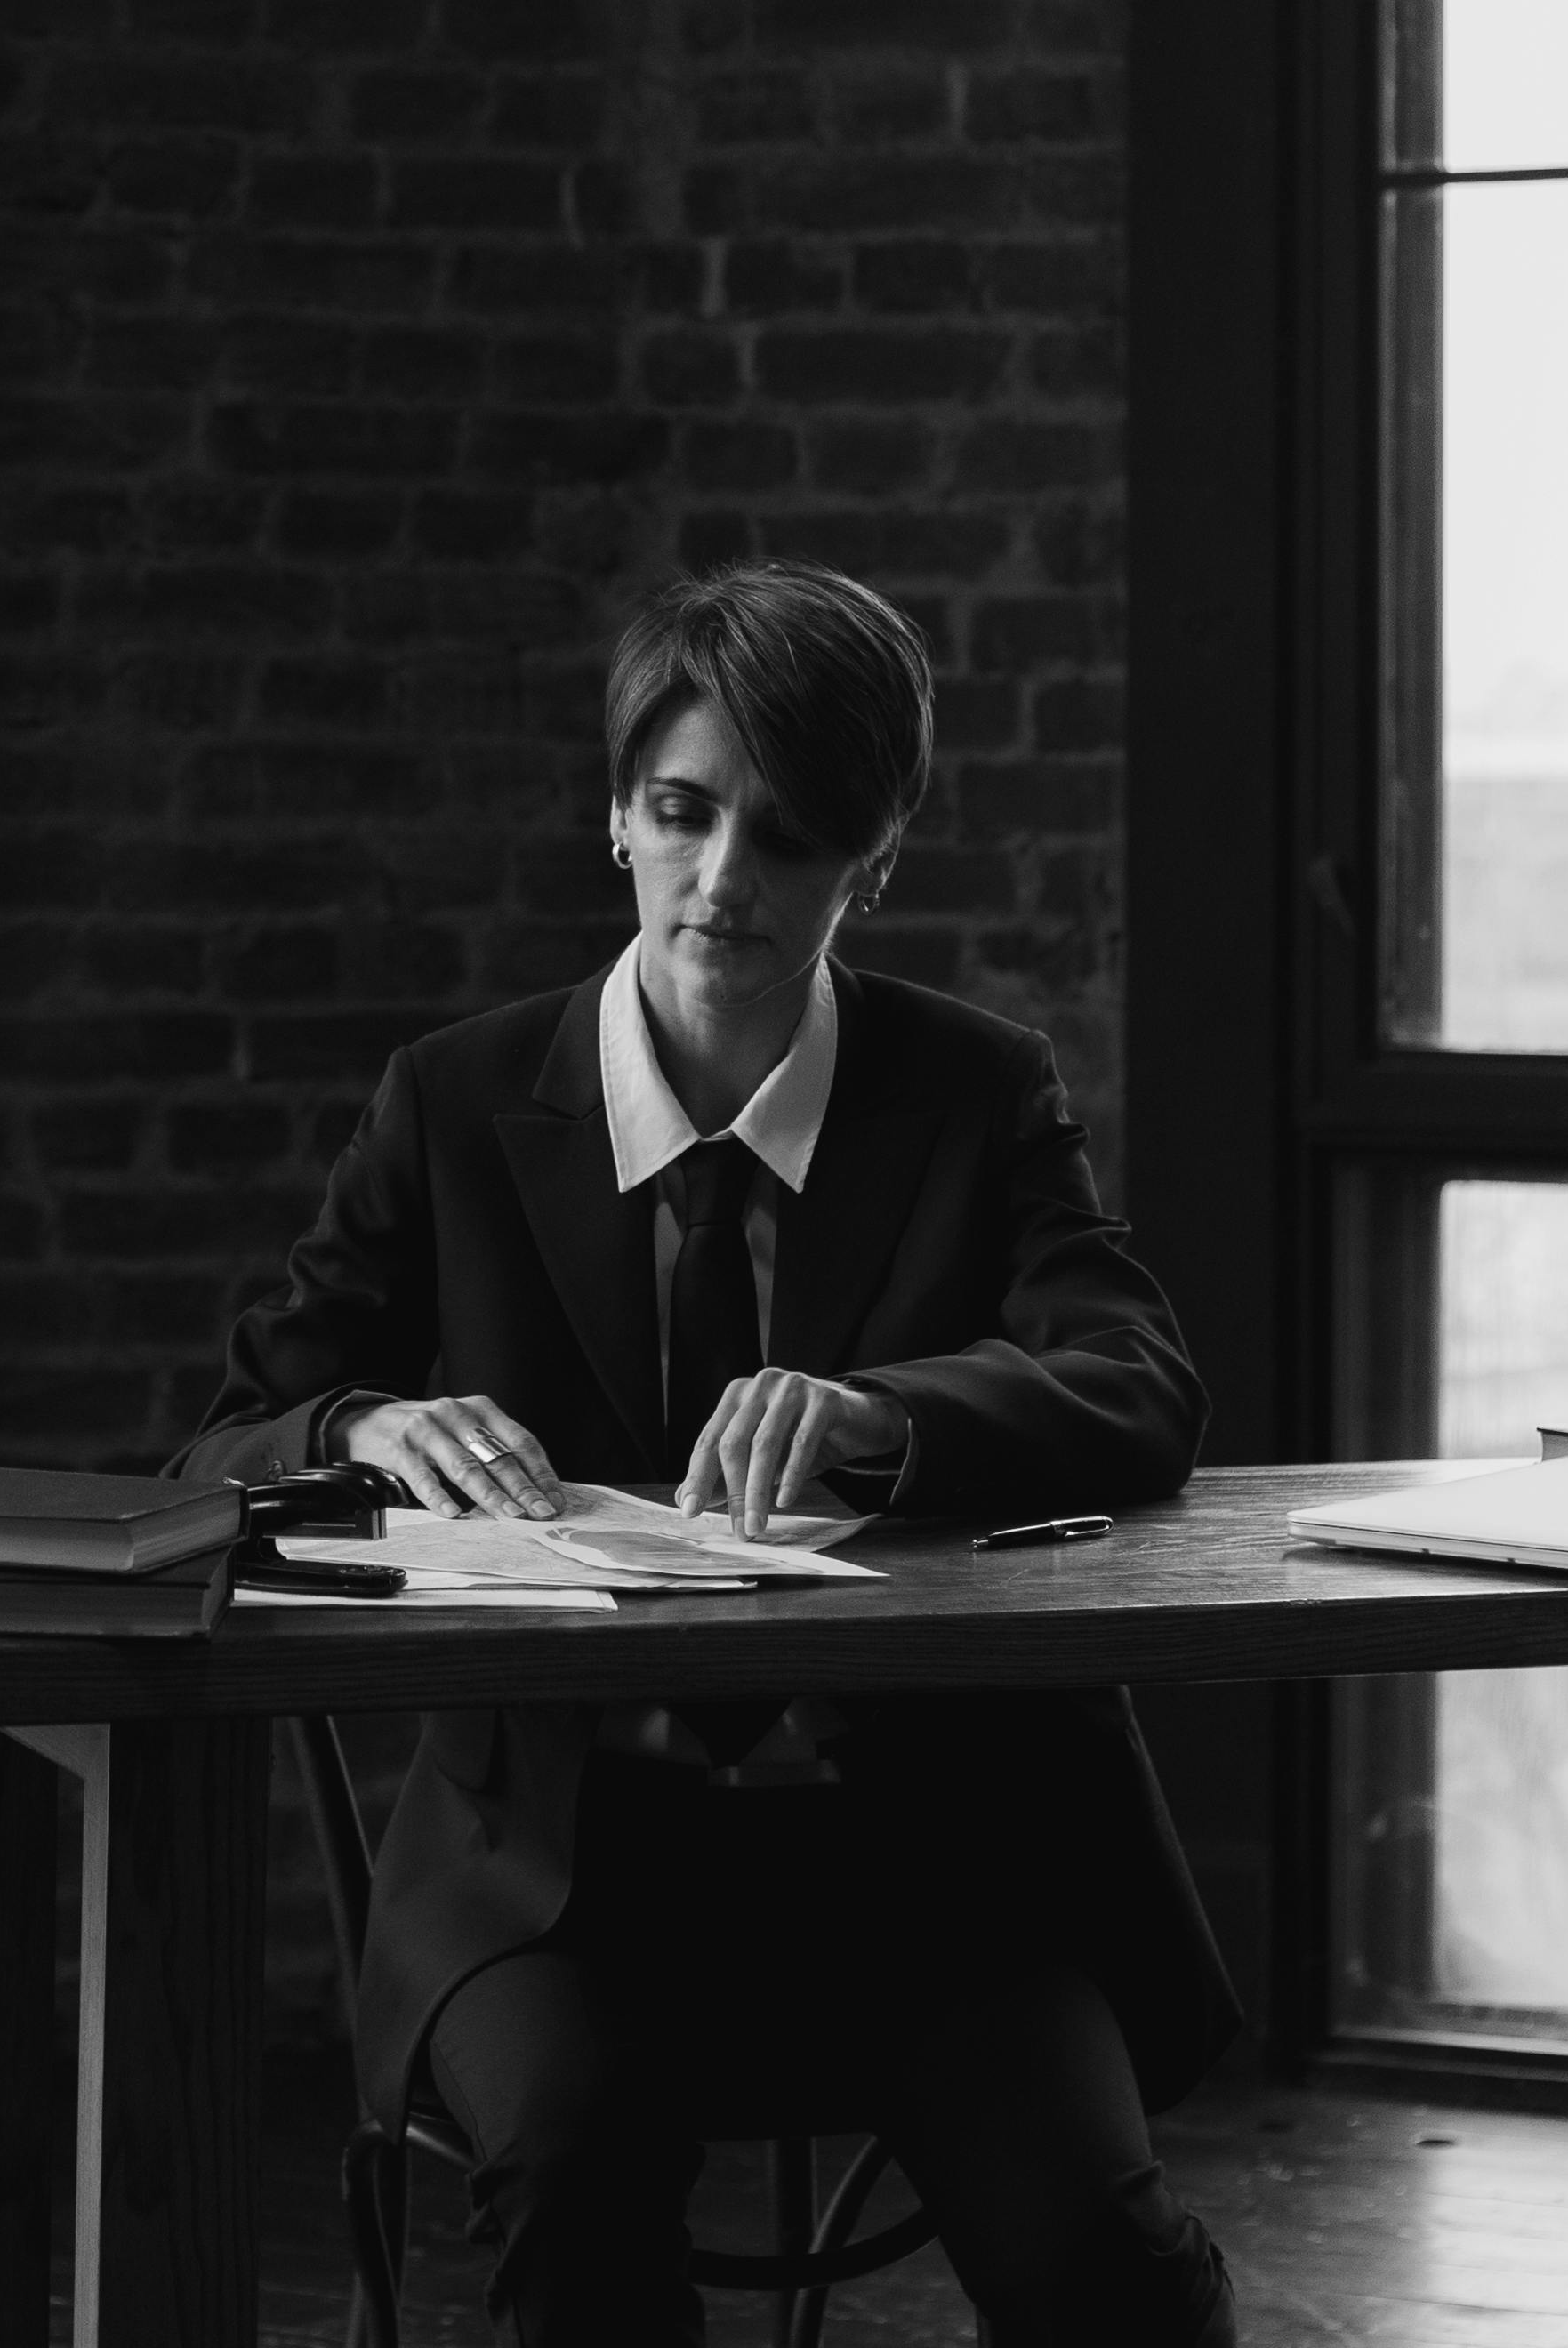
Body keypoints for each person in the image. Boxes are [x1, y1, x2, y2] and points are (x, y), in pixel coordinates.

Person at [178, 558, 1240, 2348]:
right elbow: (218, 1439)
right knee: (580, 2198)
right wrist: (361, 1418)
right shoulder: (453, 1101)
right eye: (683, 810)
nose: (728, 875)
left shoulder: (975, 1089)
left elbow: (1142, 1375)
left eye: (792, 828)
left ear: (875, 857)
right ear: (619, 815)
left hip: (933, 1857)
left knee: (1103, 2270)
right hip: (564, 1867)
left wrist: (890, 1416)